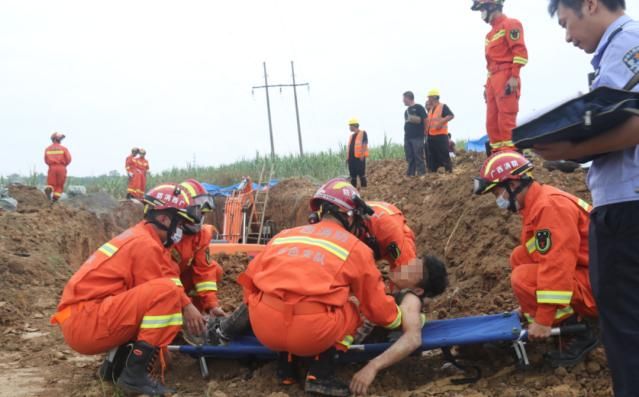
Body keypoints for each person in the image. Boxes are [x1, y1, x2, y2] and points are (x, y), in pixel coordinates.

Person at [533, 0, 639, 394]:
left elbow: (634, 123)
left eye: (566, 23)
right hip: (623, 201)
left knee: (627, 330)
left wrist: (570, 150)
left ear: (590, 4)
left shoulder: (627, 42)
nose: (567, 36)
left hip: (627, 208)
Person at [237, 179, 403, 396]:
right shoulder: (356, 249)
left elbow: (249, 282)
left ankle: (285, 369)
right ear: (350, 215)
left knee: (280, 296)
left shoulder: (284, 236)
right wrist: (399, 318)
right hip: (310, 334)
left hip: (265, 330)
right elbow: (375, 307)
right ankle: (320, 373)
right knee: (354, 307)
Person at [50, 183, 198, 395]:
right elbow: (164, 291)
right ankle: (134, 376)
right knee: (167, 292)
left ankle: (113, 369)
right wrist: (187, 311)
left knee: (156, 297)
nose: (181, 231)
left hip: (81, 318)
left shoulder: (141, 238)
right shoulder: (145, 245)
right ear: (165, 219)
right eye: (180, 223)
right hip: (87, 321)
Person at [473, 151, 599, 366]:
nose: (498, 201)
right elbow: (543, 256)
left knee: (523, 277)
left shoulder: (549, 207)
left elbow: (557, 265)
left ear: (512, 186)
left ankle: (579, 330)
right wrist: (527, 308)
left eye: (497, 194)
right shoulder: (537, 204)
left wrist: (543, 319)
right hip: (592, 273)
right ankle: (560, 317)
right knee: (519, 257)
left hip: (603, 286)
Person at [471, 0, 528, 153]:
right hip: (492, 80)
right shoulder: (489, 35)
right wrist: (486, 85)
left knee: (506, 120)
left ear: (492, 7)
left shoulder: (511, 24)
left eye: (482, 9)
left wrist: (514, 76)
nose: (481, 14)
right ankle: (497, 159)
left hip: (506, 77)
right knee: (492, 122)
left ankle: (512, 159)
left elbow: (520, 52)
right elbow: (490, 63)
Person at [174, 179, 226, 345]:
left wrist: (211, 305)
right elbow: (163, 276)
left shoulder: (201, 234)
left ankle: (195, 318)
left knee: (215, 269)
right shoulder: (168, 235)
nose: (201, 218)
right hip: (162, 283)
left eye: (203, 214)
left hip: (179, 280)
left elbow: (204, 271)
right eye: (198, 213)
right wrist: (186, 306)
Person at [425, 89, 455, 172]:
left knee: (444, 154)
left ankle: (448, 171)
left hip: (441, 136)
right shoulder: (431, 109)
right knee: (432, 155)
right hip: (431, 136)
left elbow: (451, 115)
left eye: (429, 97)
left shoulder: (442, 106)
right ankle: (433, 171)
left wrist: (441, 122)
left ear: (434, 97)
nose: (428, 99)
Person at [403, 91, 427, 176]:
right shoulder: (406, 111)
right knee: (410, 157)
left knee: (418, 156)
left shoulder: (419, 107)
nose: (403, 101)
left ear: (408, 98)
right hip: (408, 137)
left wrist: (425, 130)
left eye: (404, 98)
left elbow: (425, 119)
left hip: (417, 137)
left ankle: (422, 174)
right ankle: (411, 175)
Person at [44, 132, 72, 202]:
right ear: (58, 139)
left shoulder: (47, 149)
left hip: (52, 168)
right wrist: (63, 165)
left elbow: (46, 160)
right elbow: (69, 159)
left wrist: (51, 165)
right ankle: (54, 199)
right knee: (59, 186)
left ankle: (49, 190)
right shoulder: (64, 149)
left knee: (51, 184)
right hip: (61, 168)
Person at [346, 118, 369, 188]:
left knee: (361, 174)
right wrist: (347, 158)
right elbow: (350, 148)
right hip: (351, 159)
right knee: (353, 175)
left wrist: (362, 155)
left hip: (359, 158)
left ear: (354, 125)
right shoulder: (351, 136)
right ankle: (354, 189)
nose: (349, 127)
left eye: (350, 125)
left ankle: (364, 188)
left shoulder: (363, 133)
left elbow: (365, 143)